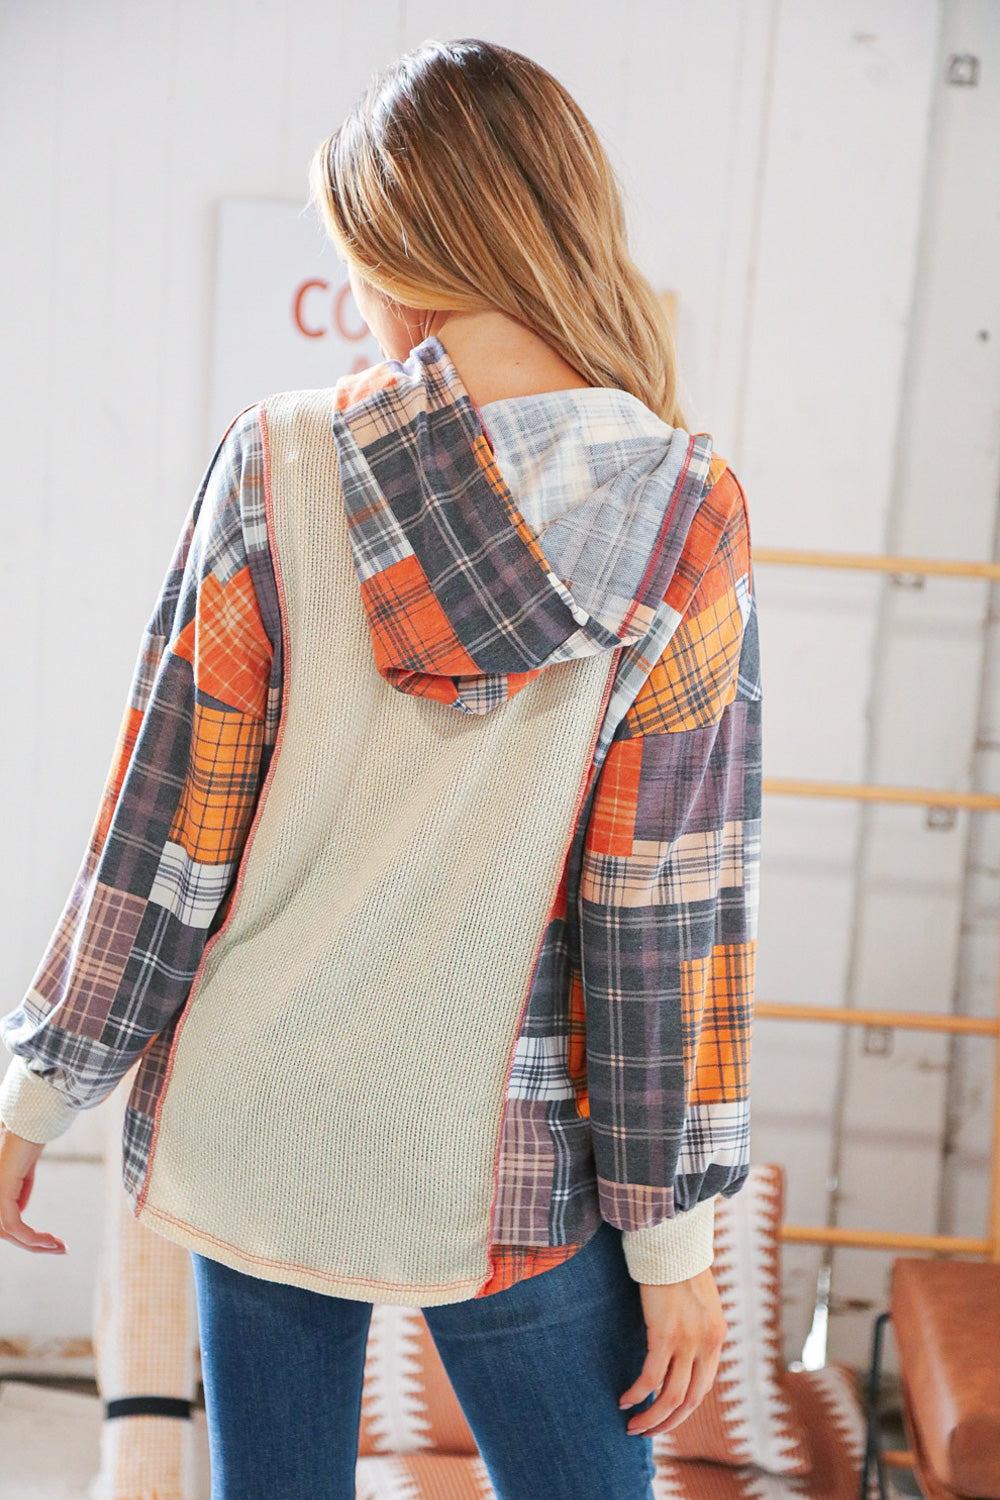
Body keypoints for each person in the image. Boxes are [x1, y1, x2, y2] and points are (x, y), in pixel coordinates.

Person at [0, 36, 761, 1500]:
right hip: (503, 1158)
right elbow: (661, 915)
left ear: (397, 251)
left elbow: (164, 835)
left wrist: (35, 1097)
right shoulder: (688, 512)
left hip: (260, 1119)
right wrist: (674, 1242)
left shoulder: (276, 459)